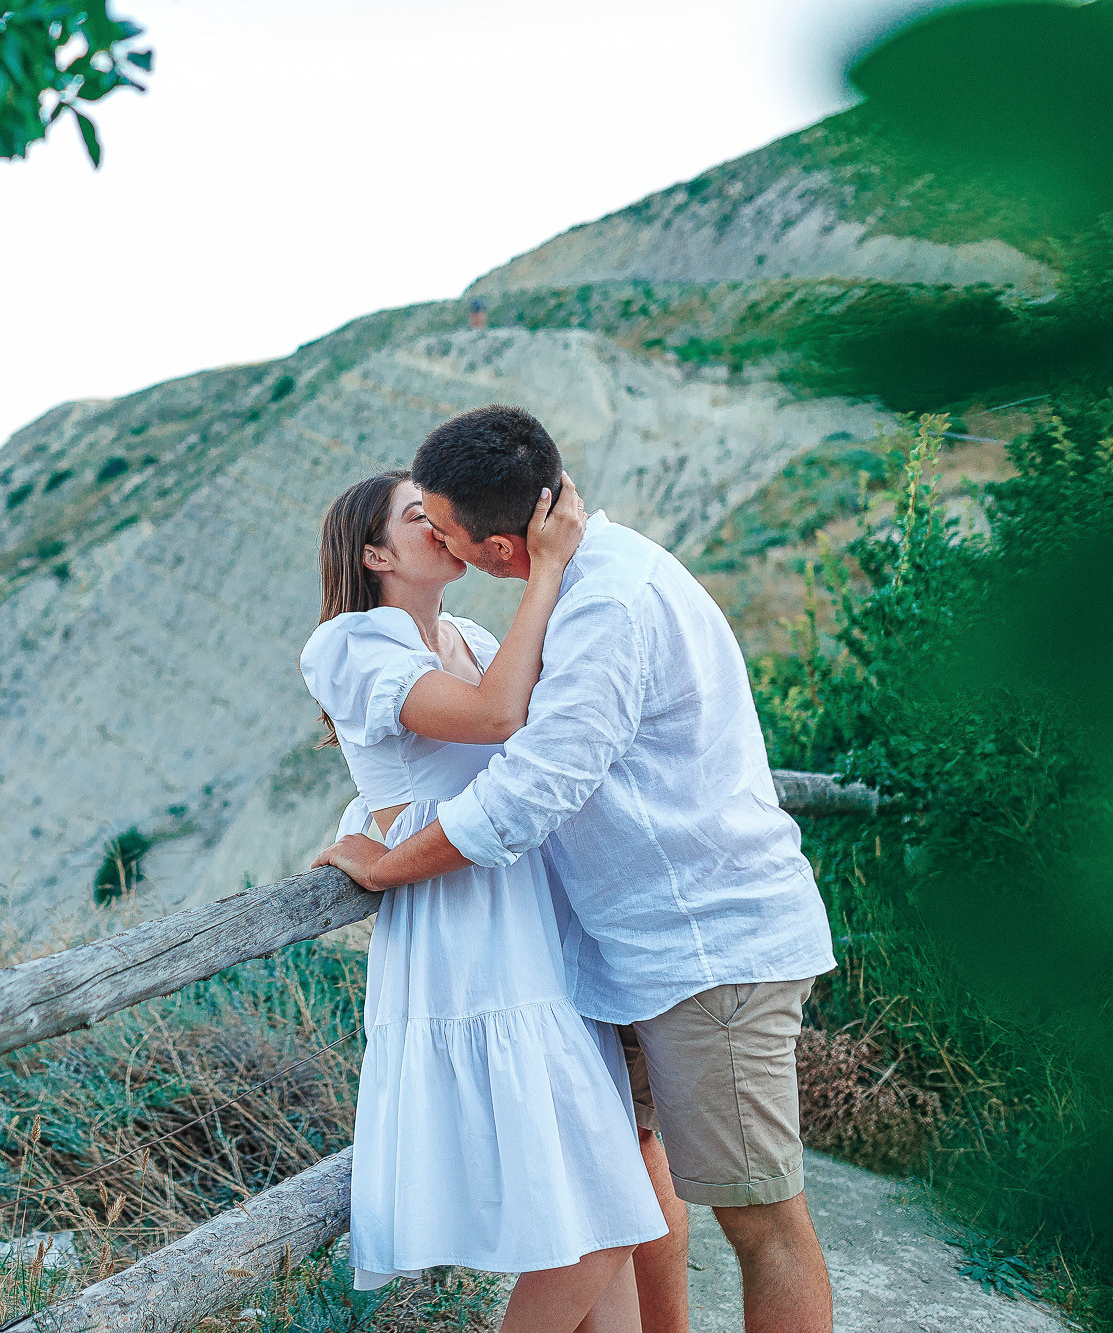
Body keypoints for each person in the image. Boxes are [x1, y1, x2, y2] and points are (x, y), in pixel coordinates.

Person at [315, 406, 839, 1333]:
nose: (439, 538)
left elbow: (526, 784)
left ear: (498, 543)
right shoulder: (576, 582)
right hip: (607, 949)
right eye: (418, 522)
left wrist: (390, 864)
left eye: (443, 523)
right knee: (629, 1184)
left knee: (760, 1221)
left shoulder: (603, 601)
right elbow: (433, 751)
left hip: (705, 945)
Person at [300, 469, 666, 1333]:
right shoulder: (349, 644)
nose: (444, 523)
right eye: (419, 516)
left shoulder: (462, 632)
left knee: (594, 1213)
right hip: (465, 936)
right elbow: (501, 719)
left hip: (529, 922)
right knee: (606, 1210)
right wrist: (544, 570)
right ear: (375, 553)